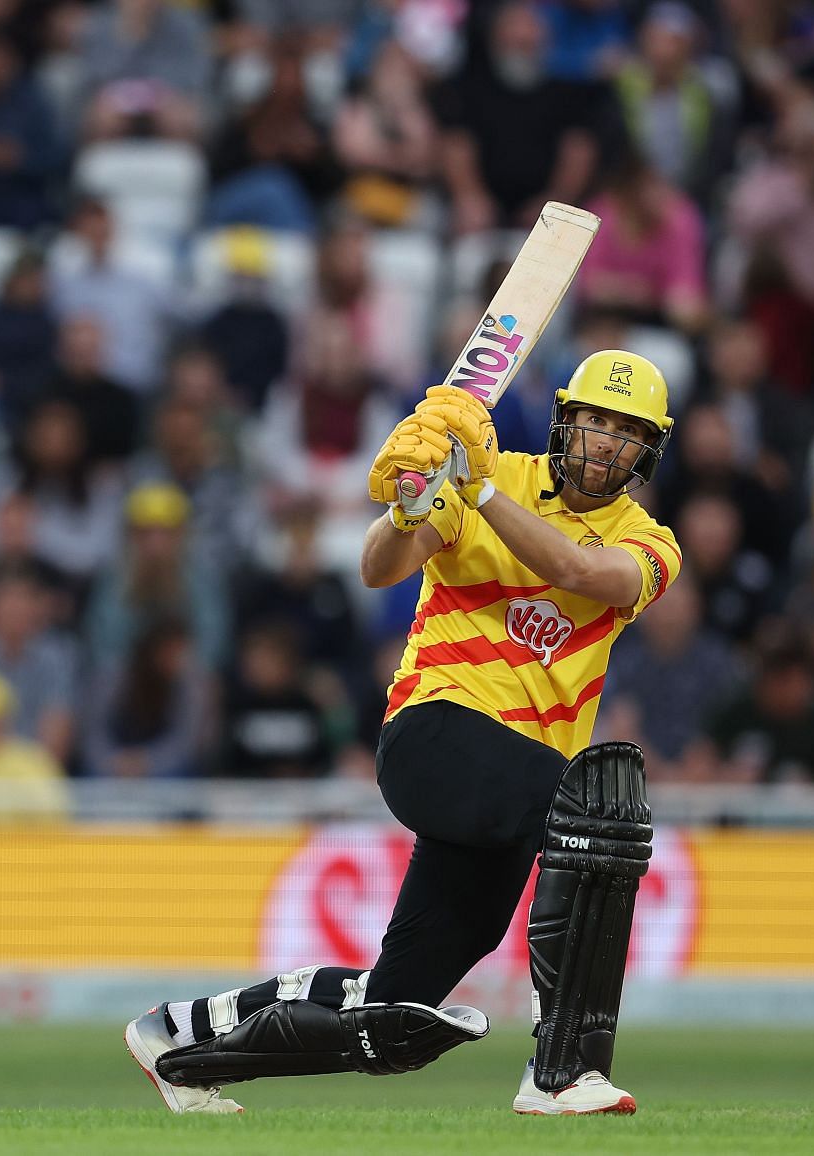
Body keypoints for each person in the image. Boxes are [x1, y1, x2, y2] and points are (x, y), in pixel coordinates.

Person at [125, 350, 681, 1116]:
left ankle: (180, 1042)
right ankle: (562, 1073)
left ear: (648, 449)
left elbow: (585, 575)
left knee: (389, 1020)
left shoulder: (649, 541)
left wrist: (475, 488)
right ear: (566, 418)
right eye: (595, 420)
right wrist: (411, 507)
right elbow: (378, 568)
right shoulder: (489, 474)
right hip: (437, 730)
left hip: (515, 786)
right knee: (596, 812)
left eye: (627, 430)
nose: (606, 441)